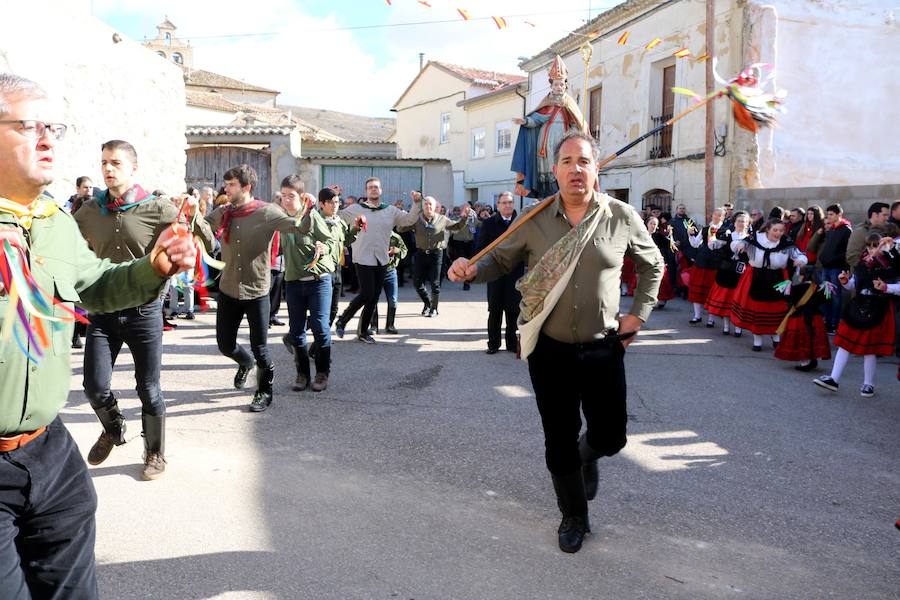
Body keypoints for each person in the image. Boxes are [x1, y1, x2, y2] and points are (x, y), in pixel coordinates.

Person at [0, 72, 197, 599]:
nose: (47, 140)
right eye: (28, 126)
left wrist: (153, 270)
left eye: (53, 128)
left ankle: (151, 447)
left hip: (47, 449)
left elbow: (93, 284)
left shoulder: (51, 221)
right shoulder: (78, 213)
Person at [449, 131, 664, 554]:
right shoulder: (535, 218)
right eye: (566, 162)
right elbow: (499, 258)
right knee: (558, 437)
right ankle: (573, 514)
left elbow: (652, 264)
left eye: (583, 161)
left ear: (596, 168)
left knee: (611, 437)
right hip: (550, 350)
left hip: (604, 346)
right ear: (556, 170)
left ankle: (590, 456)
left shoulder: (619, 216)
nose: (575, 170)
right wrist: (472, 269)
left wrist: (637, 315)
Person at [75, 139, 215, 480]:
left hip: (145, 312)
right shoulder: (89, 211)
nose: (108, 169)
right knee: (94, 386)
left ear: (133, 168)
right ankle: (114, 428)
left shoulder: (159, 207)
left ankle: (155, 453)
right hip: (103, 311)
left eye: (116, 163)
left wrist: (195, 217)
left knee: (148, 388)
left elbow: (207, 243)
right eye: (104, 162)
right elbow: (66, 246)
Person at [206, 164, 309, 412]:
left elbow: (299, 227)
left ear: (247, 187)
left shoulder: (267, 212)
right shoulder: (223, 212)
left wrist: (304, 209)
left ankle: (264, 392)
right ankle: (244, 363)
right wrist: (189, 214)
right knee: (225, 344)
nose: (226, 189)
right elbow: (203, 233)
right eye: (226, 184)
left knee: (261, 348)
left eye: (231, 185)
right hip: (229, 289)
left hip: (257, 292)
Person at [335, 178, 421, 343]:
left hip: (382, 260)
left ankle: (363, 332)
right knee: (367, 293)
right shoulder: (355, 209)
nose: (373, 190)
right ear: (366, 191)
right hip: (362, 258)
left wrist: (416, 203)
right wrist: (336, 196)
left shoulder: (390, 210)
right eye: (370, 187)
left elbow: (409, 220)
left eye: (376, 187)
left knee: (373, 297)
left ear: (381, 190)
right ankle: (342, 320)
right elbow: (337, 215)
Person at [814, 234, 899, 397]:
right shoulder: (863, 263)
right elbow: (854, 285)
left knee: (870, 349)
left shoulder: (892, 265)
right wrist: (845, 281)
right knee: (844, 342)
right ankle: (833, 379)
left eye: (876, 246)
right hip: (858, 304)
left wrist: (886, 287)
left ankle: (868, 384)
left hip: (879, 307)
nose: (872, 249)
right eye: (869, 246)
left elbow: (898, 287)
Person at [279, 180, 339, 392]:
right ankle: (302, 374)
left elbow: (331, 241)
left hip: (318, 281)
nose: (286, 200)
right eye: (284, 195)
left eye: (291, 196)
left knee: (320, 328)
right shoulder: (281, 219)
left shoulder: (312, 216)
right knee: (296, 332)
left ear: (302, 196)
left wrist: (324, 247)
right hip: (294, 282)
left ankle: (322, 373)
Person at [511, 55, 586, 200]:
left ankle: (563, 194)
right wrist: (525, 121)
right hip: (545, 142)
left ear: (565, 85)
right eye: (556, 84)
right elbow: (538, 119)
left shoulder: (569, 103)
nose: (559, 87)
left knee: (563, 164)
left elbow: (577, 123)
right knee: (548, 169)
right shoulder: (546, 102)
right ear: (551, 86)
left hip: (563, 139)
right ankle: (548, 197)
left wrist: (581, 128)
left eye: (561, 84)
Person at [729, 218, 808, 351]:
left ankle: (776, 337)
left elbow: (800, 255)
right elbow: (735, 244)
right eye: (775, 230)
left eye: (781, 230)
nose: (778, 233)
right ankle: (757, 340)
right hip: (756, 277)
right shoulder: (754, 239)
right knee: (758, 308)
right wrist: (739, 245)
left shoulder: (786, 243)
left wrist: (801, 260)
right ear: (767, 229)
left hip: (777, 278)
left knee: (777, 308)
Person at [397, 196, 473, 318]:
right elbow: (401, 228)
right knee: (417, 283)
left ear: (435, 207)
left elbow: (457, 226)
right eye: (426, 204)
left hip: (436, 254)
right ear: (423, 206)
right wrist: (404, 218)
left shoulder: (443, 219)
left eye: (431, 204)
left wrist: (464, 217)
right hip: (421, 254)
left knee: (435, 283)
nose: (428, 206)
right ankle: (427, 303)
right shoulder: (417, 220)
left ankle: (434, 308)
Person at [472, 191, 523, 354]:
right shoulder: (489, 224)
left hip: (515, 271)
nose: (508, 205)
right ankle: (493, 344)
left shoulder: (521, 222)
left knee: (513, 309)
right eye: (504, 203)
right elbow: (481, 248)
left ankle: (511, 343)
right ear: (498, 205)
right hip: (495, 271)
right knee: (495, 309)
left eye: (510, 202)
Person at [773, 266, 831, 371]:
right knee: (812, 339)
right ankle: (812, 359)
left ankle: (805, 363)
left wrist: (787, 286)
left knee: (803, 340)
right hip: (816, 317)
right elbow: (826, 300)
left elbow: (786, 297)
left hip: (800, 318)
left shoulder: (797, 288)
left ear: (803, 276)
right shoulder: (821, 288)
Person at [704, 211, 750, 336]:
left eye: (744, 221)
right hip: (726, 271)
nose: (742, 223)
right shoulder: (727, 235)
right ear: (734, 222)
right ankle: (725, 326)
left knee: (738, 299)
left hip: (741, 272)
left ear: (747, 224)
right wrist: (712, 234)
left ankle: (738, 328)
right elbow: (712, 246)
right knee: (725, 298)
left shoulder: (750, 238)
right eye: (739, 221)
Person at [817, 204, 852, 333]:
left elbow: (847, 251)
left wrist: (843, 267)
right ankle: (828, 321)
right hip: (826, 268)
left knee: (836, 297)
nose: (829, 217)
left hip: (836, 269)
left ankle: (834, 324)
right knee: (826, 296)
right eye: (828, 214)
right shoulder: (831, 229)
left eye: (831, 214)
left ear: (839, 215)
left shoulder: (846, 230)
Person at [687, 207, 725, 326]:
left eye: (719, 215)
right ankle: (697, 316)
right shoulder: (705, 229)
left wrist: (713, 235)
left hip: (715, 264)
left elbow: (714, 246)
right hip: (701, 262)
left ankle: (711, 319)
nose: (716, 216)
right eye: (715, 214)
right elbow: (695, 244)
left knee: (711, 291)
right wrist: (691, 234)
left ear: (723, 217)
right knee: (697, 290)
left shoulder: (725, 231)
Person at [845, 202, 900, 269]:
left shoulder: (886, 230)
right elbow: (852, 256)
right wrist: (864, 271)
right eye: (884, 215)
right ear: (874, 215)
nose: (887, 218)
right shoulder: (860, 231)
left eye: (887, 215)